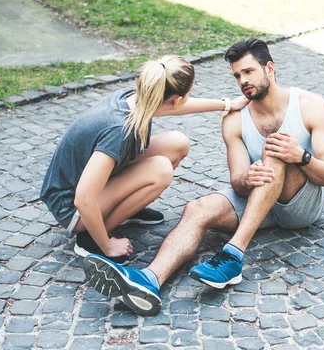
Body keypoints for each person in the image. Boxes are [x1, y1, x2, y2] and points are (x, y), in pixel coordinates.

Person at [82, 38, 324, 316]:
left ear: (270, 68)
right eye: (237, 75)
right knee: (197, 208)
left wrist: (300, 155)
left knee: (276, 150)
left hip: (301, 204)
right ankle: (147, 280)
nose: (242, 81)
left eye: (249, 72)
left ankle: (233, 255)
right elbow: (237, 182)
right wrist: (247, 178)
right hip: (259, 200)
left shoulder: (310, 105)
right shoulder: (235, 119)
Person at [40, 55, 248, 265]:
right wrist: (107, 245)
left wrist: (228, 104)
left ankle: (128, 207)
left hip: (92, 185)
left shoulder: (136, 98)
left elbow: (177, 107)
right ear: (174, 98)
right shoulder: (118, 129)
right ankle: (90, 239)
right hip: (72, 209)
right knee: (161, 170)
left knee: (178, 143)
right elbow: (83, 199)